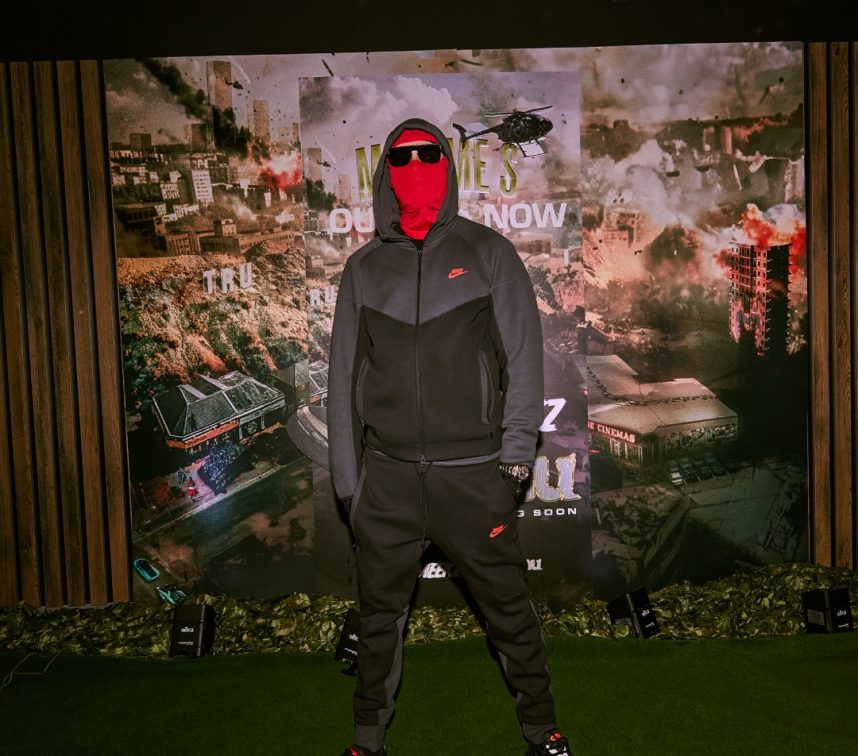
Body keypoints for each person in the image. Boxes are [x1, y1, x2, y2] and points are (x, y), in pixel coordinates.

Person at [328, 117, 570, 756]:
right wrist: (351, 486)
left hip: (474, 477)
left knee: (510, 612)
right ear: (386, 172)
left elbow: (524, 362)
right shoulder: (362, 269)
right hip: (386, 482)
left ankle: (543, 729)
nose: (415, 166)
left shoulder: (489, 254)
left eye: (428, 154)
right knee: (379, 621)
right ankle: (367, 738)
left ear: (447, 164)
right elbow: (341, 381)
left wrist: (514, 459)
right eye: (401, 157)